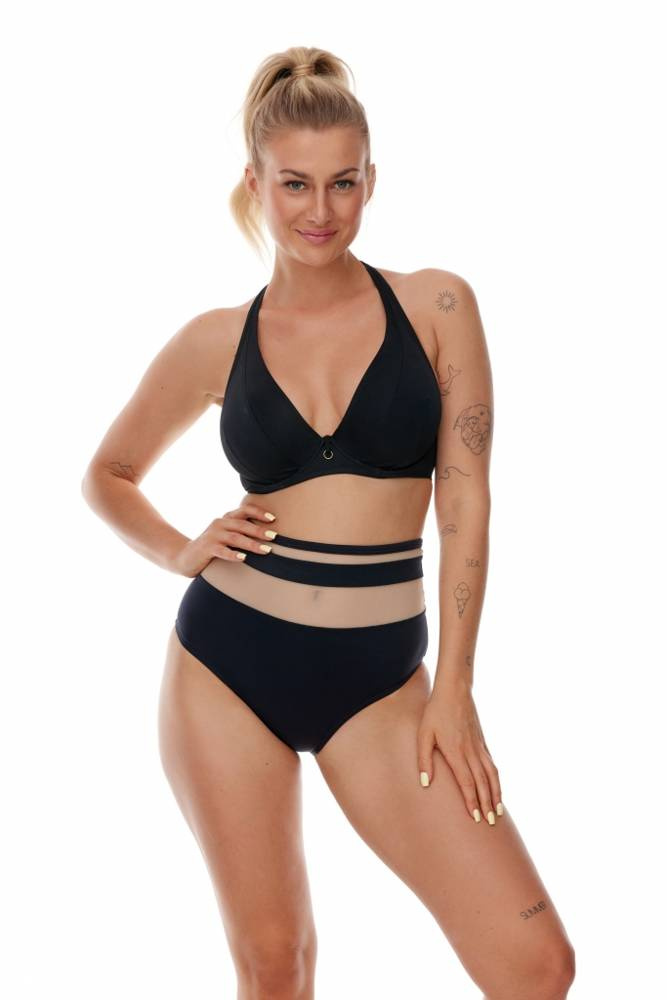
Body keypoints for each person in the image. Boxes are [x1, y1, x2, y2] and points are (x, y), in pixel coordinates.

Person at [81, 45, 575, 1000]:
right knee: (277, 968)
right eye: (295, 184)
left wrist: (454, 689)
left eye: (342, 183)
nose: (320, 210)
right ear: (255, 183)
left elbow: (464, 500)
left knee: (536, 966)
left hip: (381, 683)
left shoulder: (436, 304)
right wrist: (180, 550)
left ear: (370, 181)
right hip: (226, 668)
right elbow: (108, 474)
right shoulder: (214, 339)